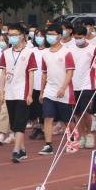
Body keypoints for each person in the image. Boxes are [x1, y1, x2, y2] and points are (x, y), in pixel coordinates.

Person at [0, 24, 38, 163]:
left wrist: (29, 94)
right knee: (14, 124)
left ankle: (16, 150)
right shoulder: (5, 53)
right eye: (10, 35)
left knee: (20, 122)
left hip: (22, 92)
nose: (12, 37)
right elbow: (3, 73)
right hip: (10, 92)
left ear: (22, 35)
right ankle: (22, 150)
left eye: (15, 35)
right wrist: (2, 91)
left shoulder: (29, 53)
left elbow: (31, 75)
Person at [38, 24, 75, 155]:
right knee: (48, 117)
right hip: (49, 90)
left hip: (63, 92)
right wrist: (42, 91)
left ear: (59, 36)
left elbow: (70, 72)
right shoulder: (46, 53)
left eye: (53, 34)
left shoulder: (66, 52)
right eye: (49, 34)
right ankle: (48, 145)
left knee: (67, 120)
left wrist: (63, 88)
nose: (50, 37)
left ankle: (72, 139)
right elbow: (44, 73)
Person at [68, 23, 96, 149]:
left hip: (87, 85)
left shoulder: (93, 49)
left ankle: (89, 135)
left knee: (86, 112)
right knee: (77, 113)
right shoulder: (70, 49)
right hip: (73, 85)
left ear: (85, 36)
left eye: (80, 37)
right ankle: (81, 135)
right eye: (75, 37)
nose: (78, 40)